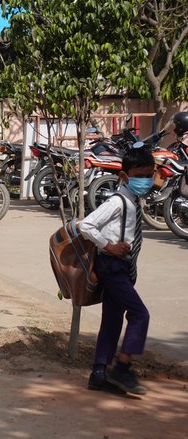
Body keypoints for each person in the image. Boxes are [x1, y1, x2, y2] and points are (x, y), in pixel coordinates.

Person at [81, 145, 155, 395]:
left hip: (121, 268)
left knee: (112, 320)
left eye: (149, 175)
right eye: (140, 175)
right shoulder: (118, 202)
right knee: (140, 314)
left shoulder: (133, 202)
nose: (146, 180)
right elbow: (87, 225)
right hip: (111, 266)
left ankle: (99, 374)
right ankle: (122, 367)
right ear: (124, 177)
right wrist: (108, 246)